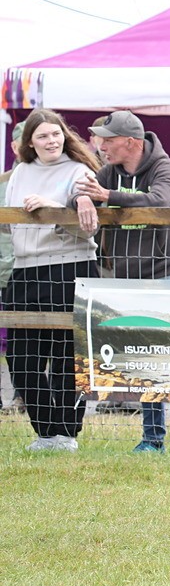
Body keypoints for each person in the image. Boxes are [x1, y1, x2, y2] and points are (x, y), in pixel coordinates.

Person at [76, 110, 170, 452]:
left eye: (108, 140)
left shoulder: (164, 167)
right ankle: (151, 438)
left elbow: (159, 201)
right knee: (141, 360)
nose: (101, 146)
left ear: (130, 142)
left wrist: (106, 196)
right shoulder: (110, 172)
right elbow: (81, 193)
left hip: (164, 275)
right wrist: (84, 198)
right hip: (125, 279)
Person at [2, 109, 100, 451]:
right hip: (25, 269)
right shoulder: (19, 173)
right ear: (29, 142)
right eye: (43, 136)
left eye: (56, 134)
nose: (51, 141)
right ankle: (45, 431)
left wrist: (52, 207)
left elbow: (89, 225)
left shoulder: (79, 171)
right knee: (21, 358)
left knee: (65, 356)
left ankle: (66, 434)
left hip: (70, 266)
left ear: (65, 137)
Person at [0, 121, 27, 414]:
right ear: (14, 146)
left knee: (23, 341)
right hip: (1, 268)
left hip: (22, 270)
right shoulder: (2, 183)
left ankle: (22, 396)